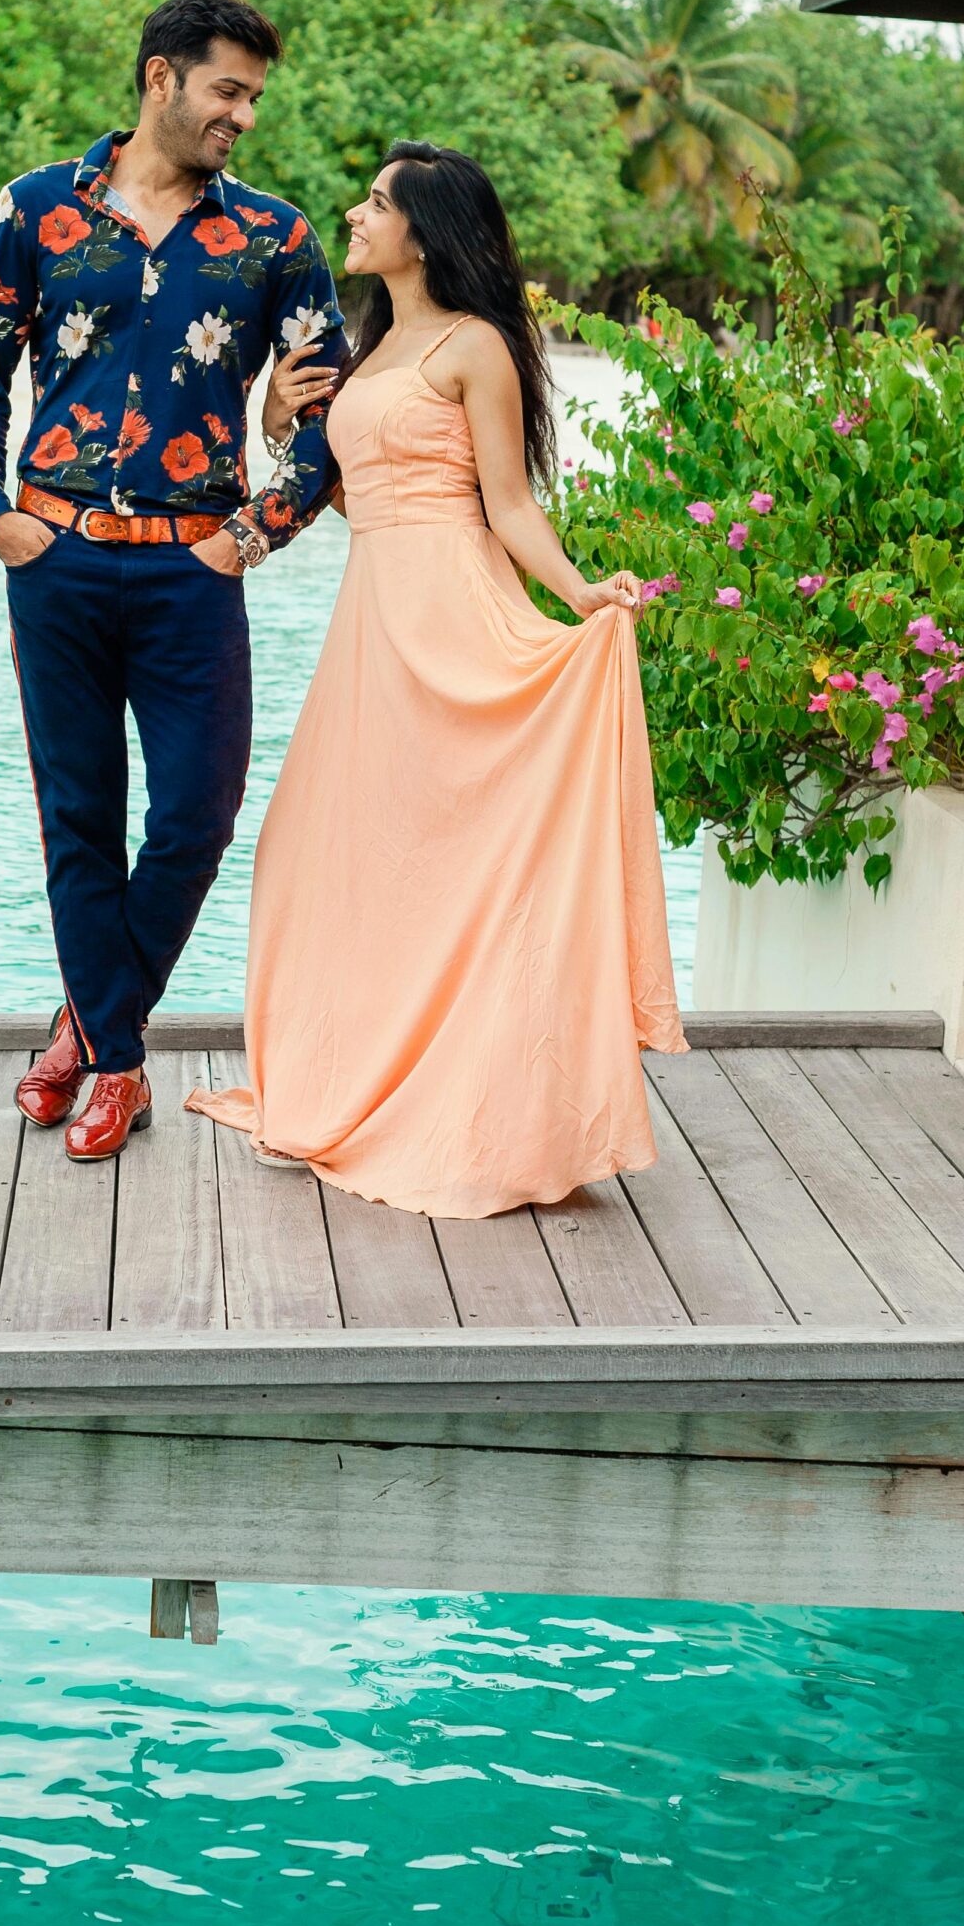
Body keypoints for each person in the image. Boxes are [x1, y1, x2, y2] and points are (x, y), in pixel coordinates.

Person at [186, 142, 687, 1218]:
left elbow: (506, 505)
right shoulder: (370, 349)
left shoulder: (476, 348)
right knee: (326, 855)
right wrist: (279, 419)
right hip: (375, 622)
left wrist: (580, 594)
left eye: (376, 203)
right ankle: (345, 1077)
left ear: (425, 231)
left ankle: (479, 1103)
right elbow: (350, 491)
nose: (355, 215)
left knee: (453, 862)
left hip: (455, 613)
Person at [0, 0, 345, 1161]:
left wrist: (253, 534)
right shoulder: (31, 208)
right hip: (56, 562)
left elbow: (331, 416)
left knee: (197, 816)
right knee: (78, 822)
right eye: (228, 90)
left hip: (192, 573)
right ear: (160, 78)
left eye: (255, 97)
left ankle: (83, 1024)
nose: (244, 117)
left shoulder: (276, 238)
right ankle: (119, 1065)